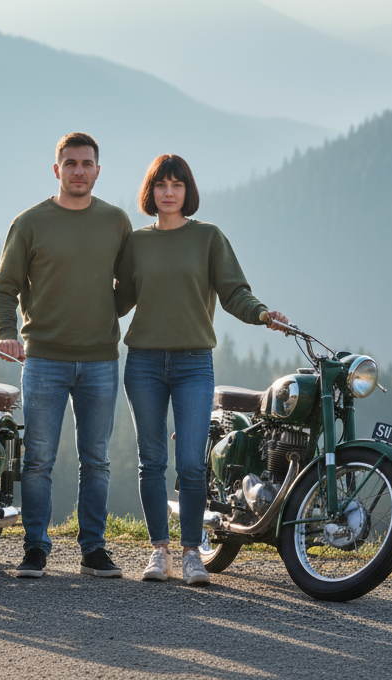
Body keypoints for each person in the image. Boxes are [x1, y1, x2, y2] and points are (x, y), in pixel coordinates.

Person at [115, 153, 287, 585]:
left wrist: (263, 315)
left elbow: (233, 292)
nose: (169, 192)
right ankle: (159, 552)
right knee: (151, 461)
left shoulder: (208, 238)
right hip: (144, 363)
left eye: (177, 185)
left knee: (192, 463)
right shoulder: (136, 243)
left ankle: (192, 553)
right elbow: (116, 301)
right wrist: (68, 303)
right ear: (150, 192)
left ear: (188, 192)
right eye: (161, 185)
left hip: (194, 363)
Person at [0, 132, 133, 579]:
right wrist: (6, 334)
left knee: (97, 459)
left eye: (86, 163)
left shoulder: (116, 221)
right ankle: (35, 548)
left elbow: (129, 285)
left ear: (97, 170)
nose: (78, 171)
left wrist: (105, 313)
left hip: (101, 361)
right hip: (44, 360)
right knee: (38, 459)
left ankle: (93, 549)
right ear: (57, 170)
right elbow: (4, 288)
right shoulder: (30, 222)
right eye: (69, 163)